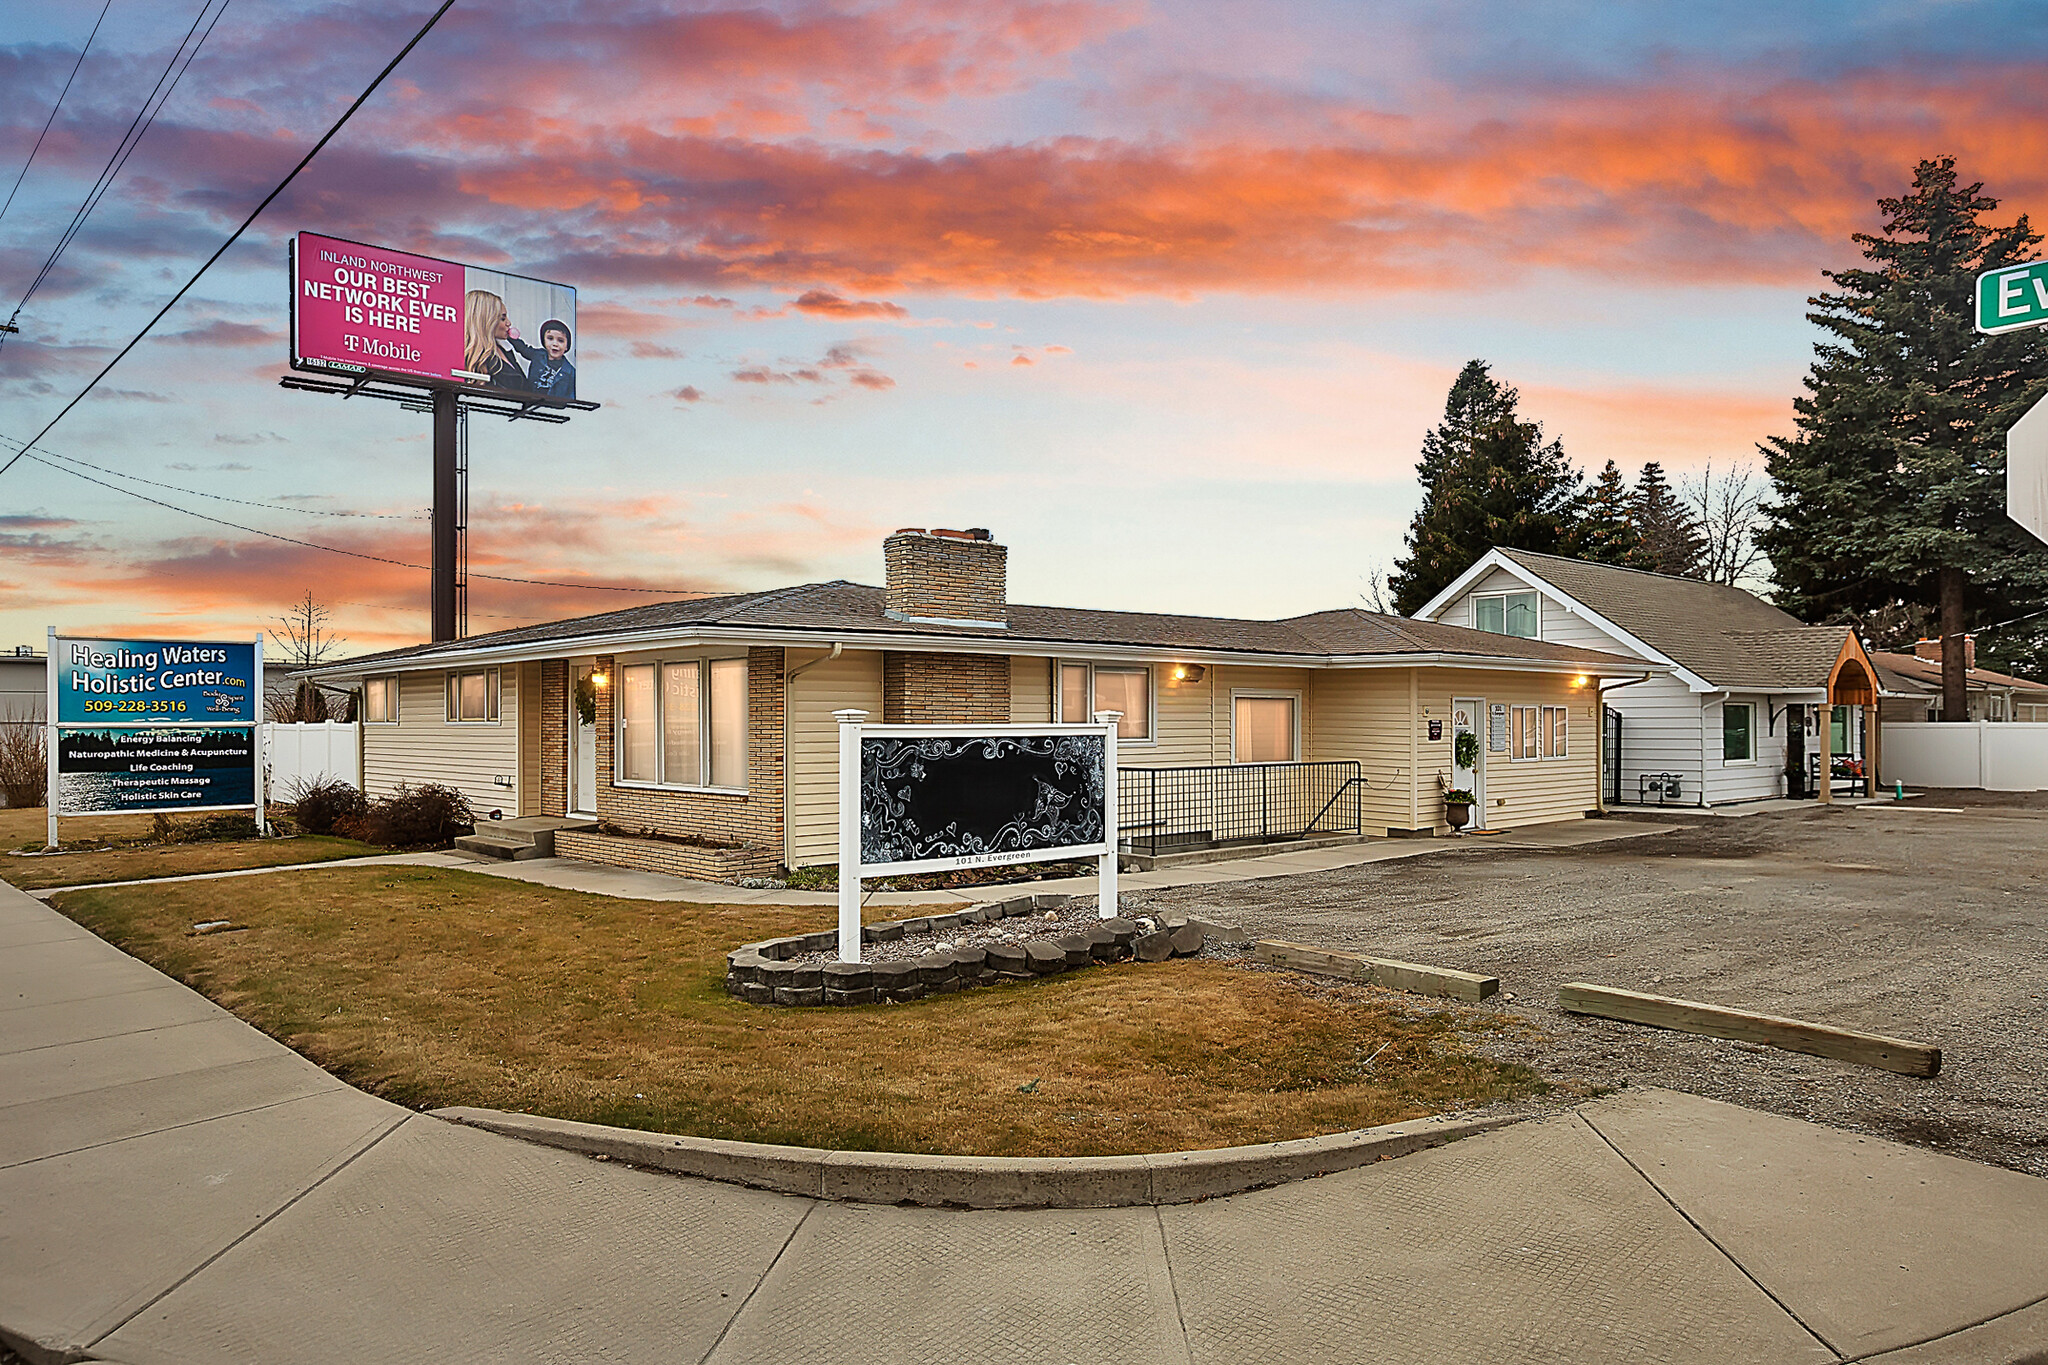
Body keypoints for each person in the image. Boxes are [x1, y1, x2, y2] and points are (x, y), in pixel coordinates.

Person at [461, 289, 532, 392]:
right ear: (486, 321)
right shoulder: (471, 358)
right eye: (502, 319)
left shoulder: (505, 351)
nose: (509, 323)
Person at [508, 318, 576, 401]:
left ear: (567, 346)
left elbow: (571, 398)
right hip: (530, 403)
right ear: (544, 341)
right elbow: (523, 349)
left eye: (560, 340)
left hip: (551, 409)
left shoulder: (570, 372)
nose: (555, 344)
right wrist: (510, 336)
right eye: (550, 338)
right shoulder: (537, 355)